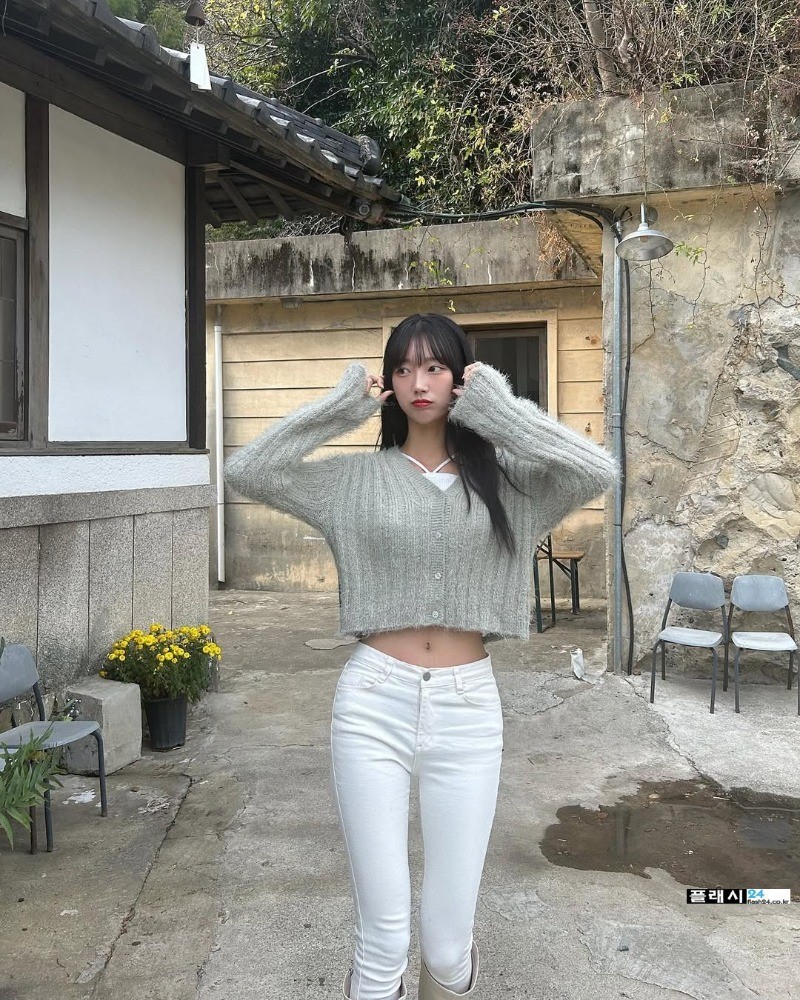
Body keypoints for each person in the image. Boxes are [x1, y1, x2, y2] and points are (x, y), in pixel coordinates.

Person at [224, 313, 618, 1000]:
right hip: (373, 703)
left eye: (435, 367)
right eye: (403, 369)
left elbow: (597, 469)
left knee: (446, 944)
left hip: (468, 711)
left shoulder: (510, 483)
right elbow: (247, 470)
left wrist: (500, 413)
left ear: (460, 377)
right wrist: (338, 409)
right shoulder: (353, 481)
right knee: (383, 937)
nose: (418, 383)